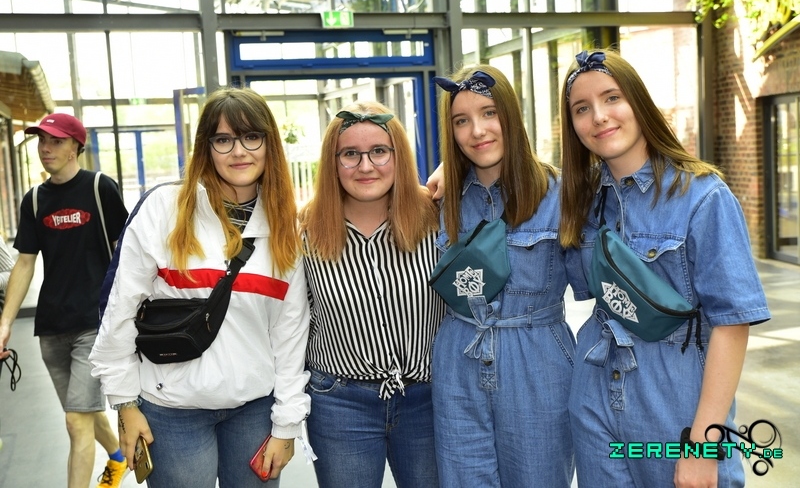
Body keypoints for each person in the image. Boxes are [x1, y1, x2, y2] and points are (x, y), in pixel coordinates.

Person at [559, 49, 771, 487]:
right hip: (594, 398)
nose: (599, 116)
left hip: (675, 406)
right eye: (582, 108)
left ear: (638, 102)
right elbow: (515, 187)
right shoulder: (582, 199)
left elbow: (733, 324)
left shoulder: (703, 196)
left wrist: (703, 445)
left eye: (612, 97)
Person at [89, 87, 312, 487]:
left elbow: (290, 334)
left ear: (269, 144)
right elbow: (120, 307)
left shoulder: (286, 228)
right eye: (223, 140)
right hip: (171, 412)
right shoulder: (165, 208)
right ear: (206, 148)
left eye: (251, 137)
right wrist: (124, 404)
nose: (238, 151)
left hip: (253, 410)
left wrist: (287, 424)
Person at [431, 65, 575, 487]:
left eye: (489, 113)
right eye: (461, 120)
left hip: (537, 362)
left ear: (510, 114)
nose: (477, 130)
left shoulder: (562, 194)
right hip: (458, 361)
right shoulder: (440, 202)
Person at [299, 101, 443, 488]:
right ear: (332, 163)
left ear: (399, 156)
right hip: (340, 401)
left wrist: (455, 168)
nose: (365, 166)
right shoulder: (306, 232)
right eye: (350, 154)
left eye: (379, 151)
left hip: (428, 399)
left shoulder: (438, 217)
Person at [0, 113, 130, 488]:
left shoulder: (100, 188)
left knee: (75, 421)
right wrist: (5, 322)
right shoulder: (34, 200)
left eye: (55, 141)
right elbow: (25, 263)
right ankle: (118, 459)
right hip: (52, 327)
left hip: (94, 323)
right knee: (82, 413)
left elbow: (127, 251)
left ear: (75, 146)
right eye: (42, 141)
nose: (45, 148)